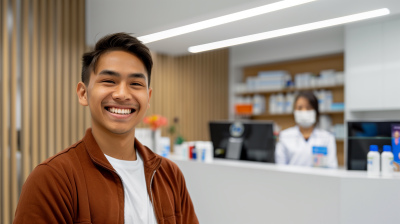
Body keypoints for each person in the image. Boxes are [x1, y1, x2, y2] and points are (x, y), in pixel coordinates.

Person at [14, 33, 199, 224]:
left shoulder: (169, 174)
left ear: (148, 97)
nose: (122, 94)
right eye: (109, 81)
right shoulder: (53, 178)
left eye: (136, 84)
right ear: (83, 93)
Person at [275, 91, 338, 168]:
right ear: (294, 111)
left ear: (316, 111)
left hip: (318, 179)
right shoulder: (284, 136)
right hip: (291, 179)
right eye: (299, 108)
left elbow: (332, 168)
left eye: (308, 108)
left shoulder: (327, 138)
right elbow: (280, 167)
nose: (304, 111)